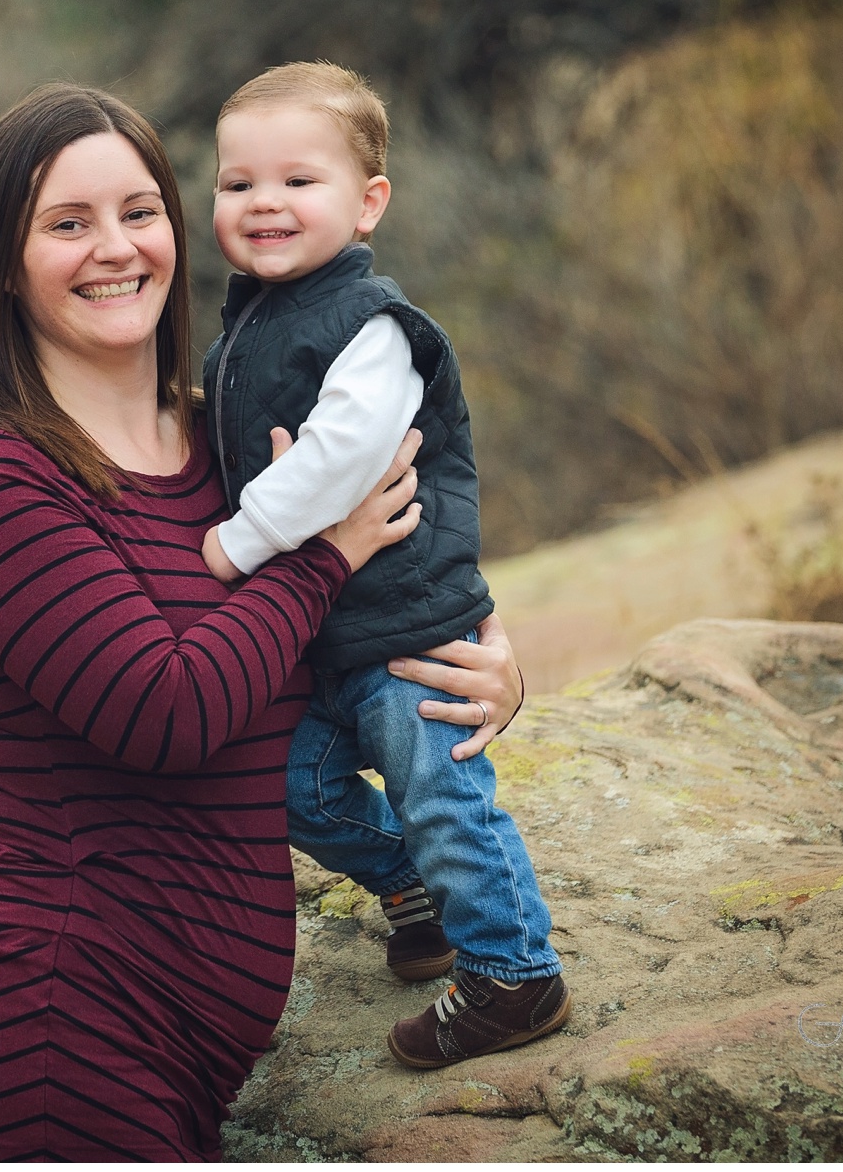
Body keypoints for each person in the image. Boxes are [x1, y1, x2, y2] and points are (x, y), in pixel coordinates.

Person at [0, 82, 527, 1161]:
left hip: (197, 1047)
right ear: (3, 265)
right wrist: (325, 558)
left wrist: (483, 654)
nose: (116, 248)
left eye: (139, 211)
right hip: (55, 1033)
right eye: (68, 223)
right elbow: (171, 710)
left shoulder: (231, 451)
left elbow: (397, 553)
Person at [199, 61, 568, 1068]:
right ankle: (417, 887)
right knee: (285, 782)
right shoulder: (243, 331)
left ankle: (513, 974)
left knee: (442, 790)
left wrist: (234, 544)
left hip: (405, 627)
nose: (264, 201)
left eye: (298, 181)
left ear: (368, 205)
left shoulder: (372, 328)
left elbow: (344, 461)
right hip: (328, 637)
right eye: (238, 184)